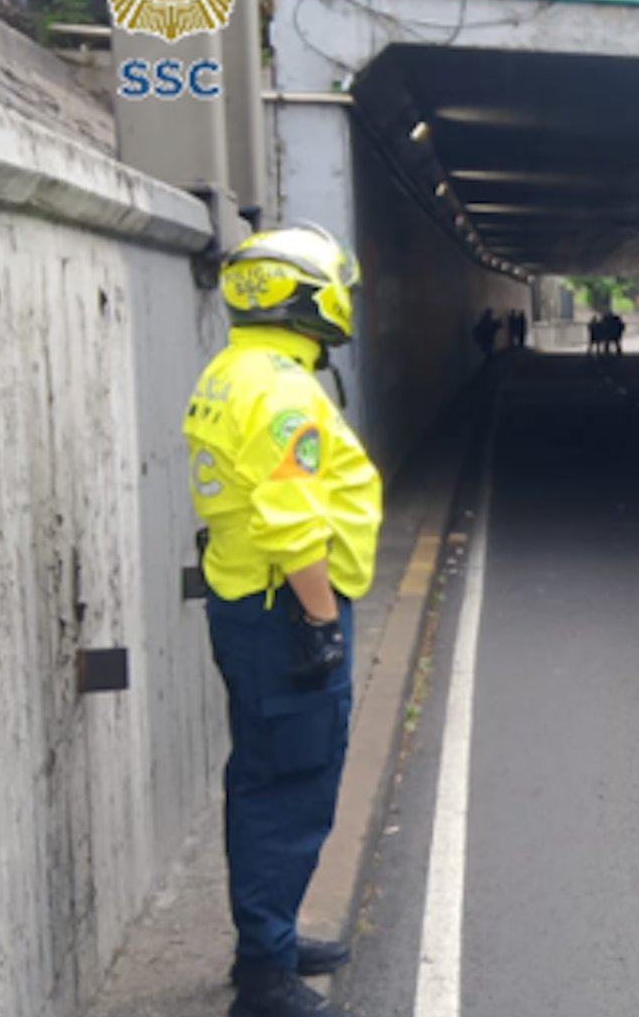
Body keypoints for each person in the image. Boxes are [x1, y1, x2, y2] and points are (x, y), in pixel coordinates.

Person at [184, 225, 382, 1017]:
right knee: (291, 784)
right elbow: (292, 519)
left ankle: (269, 940)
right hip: (285, 611)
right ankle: (265, 979)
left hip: (252, 603)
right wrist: (324, 620)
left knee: (269, 775)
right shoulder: (283, 391)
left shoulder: (236, 371)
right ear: (310, 294)